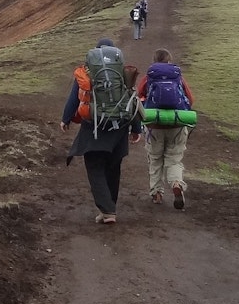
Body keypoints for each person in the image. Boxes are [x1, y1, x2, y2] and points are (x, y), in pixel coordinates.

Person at [60, 38, 143, 225]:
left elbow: (75, 98)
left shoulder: (87, 72)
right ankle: (109, 208)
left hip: (94, 128)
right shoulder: (123, 73)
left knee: (95, 168)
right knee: (113, 169)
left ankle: (107, 210)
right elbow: (133, 100)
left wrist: (66, 119)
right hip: (119, 129)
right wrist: (136, 129)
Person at [136, 48, 195, 210]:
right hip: (177, 124)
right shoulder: (178, 77)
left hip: (154, 125)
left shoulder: (149, 77)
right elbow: (190, 99)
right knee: (174, 159)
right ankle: (176, 183)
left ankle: (156, 193)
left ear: (154, 61)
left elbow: (139, 99)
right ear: (170, 61)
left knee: (155, 159)